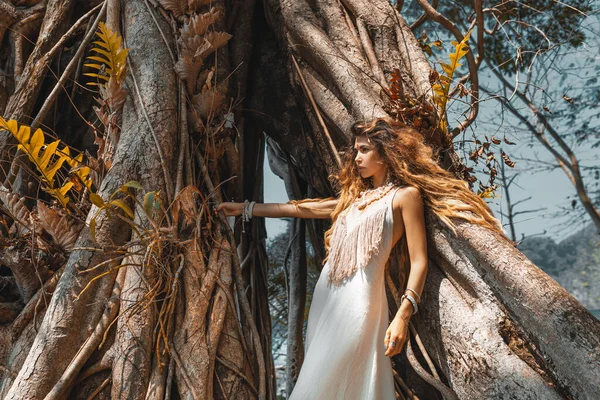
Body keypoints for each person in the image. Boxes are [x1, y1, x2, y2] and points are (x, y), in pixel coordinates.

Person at [217, 117, 504, 399]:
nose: (356, 157)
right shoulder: (352, 200)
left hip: (361, 300)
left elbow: (419, 261)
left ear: (386, 151)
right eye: (355, 150)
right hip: (326, 298)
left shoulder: (405, 196)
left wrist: (403, 316)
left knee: (329, 381)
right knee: (320, 377)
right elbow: (297, 209)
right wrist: (245, 208)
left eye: (364, 150)